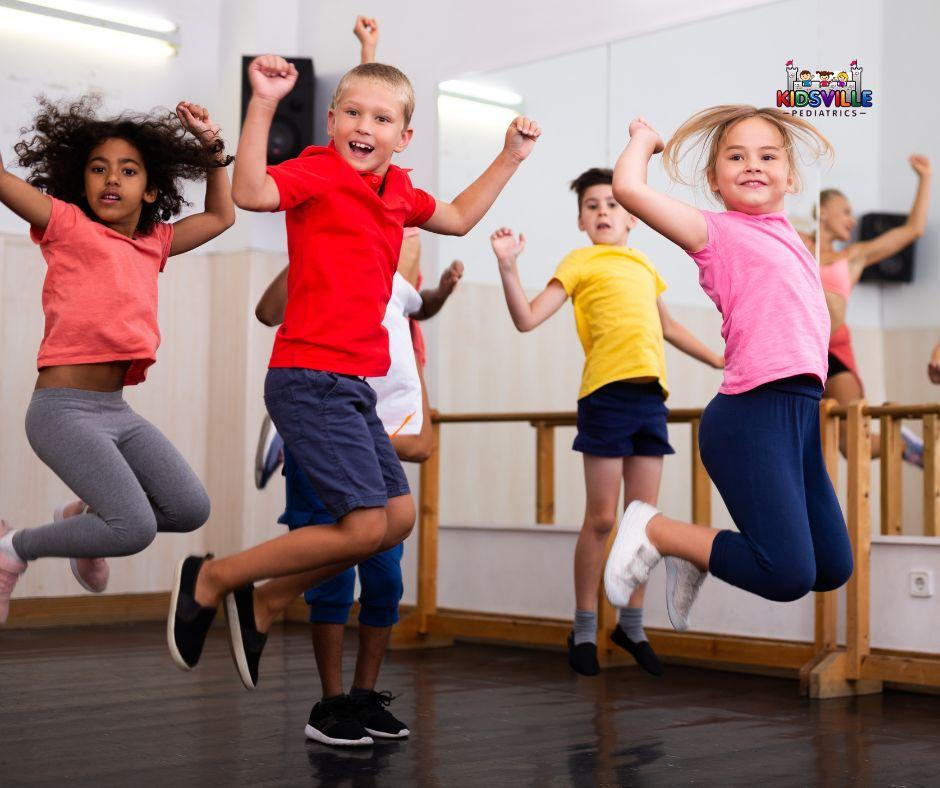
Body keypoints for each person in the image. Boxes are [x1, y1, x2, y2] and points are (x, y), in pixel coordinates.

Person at [168, 52, 540, 690]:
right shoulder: (316, 171)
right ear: (333, 120)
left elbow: (456, 217)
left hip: (353, 387)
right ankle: (215, 578)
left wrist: (510, 156)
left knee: (394, 519)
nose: (366, 126)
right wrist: (264, 101)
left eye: (383, 118)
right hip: (308, 375)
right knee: (366, 522)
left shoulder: (398, 193)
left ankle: (266, 600)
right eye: (353, 113)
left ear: (404, 136)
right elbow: (254, 192)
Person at [604, 106, 852, 630]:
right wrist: (643, 139)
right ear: (715, 182)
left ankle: (695, 553)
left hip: (801, 419)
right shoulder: (715, 233)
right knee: (786, 574)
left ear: (790, 175)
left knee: (832, 567)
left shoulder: (793, 239)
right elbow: (628, 188)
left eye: (767, 156)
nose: (752, 166)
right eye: (735, 158)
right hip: (751, 416)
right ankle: (655, 530)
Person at [0, 97, 234, 623]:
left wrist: (211, 147)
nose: (112, 179)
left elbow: (222, 215)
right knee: (132, 528)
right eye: (98, 169)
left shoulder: (155, 243)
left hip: (116, 411)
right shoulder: (65, 224)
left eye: (128, 171)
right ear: (80, 182)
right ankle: (12, 548)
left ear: (150, 189)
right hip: (61, 411)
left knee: (189, 508)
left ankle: (81, 521)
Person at [490, 168, 722, 676]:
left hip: (649, 401)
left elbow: (671, 327)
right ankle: (584, 625)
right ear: (580, 221)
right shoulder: (578, 262)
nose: (602, 212)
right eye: (592, 206)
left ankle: (632, 625)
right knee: (602, 518)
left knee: (642, 522)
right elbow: (527, 318)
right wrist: (508, 267)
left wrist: (722, 360)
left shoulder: (644, 266)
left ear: (632, 217)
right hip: (605, 398)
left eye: (612, 204)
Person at [257, 251, 461, 745]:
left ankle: (364, 697)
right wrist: (308, 245)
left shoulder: (398, 287)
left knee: (385, 579)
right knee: (330, 577)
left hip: (374, 441)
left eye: (412, 227)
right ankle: (329, 705)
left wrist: (445, 289)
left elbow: (423, 304)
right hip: (325, 427)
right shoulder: (329, 261)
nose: (406, 231)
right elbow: (268, 312)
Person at [800, 157, 932, 465]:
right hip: (804, 350)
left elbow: (912, 230)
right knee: (814, 445)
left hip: (836, 350)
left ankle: (900, 446)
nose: (853, 219)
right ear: (823, 212)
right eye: (845, 211)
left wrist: (925, 178)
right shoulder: (798, 244)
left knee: (850, 443)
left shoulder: (853, 257)